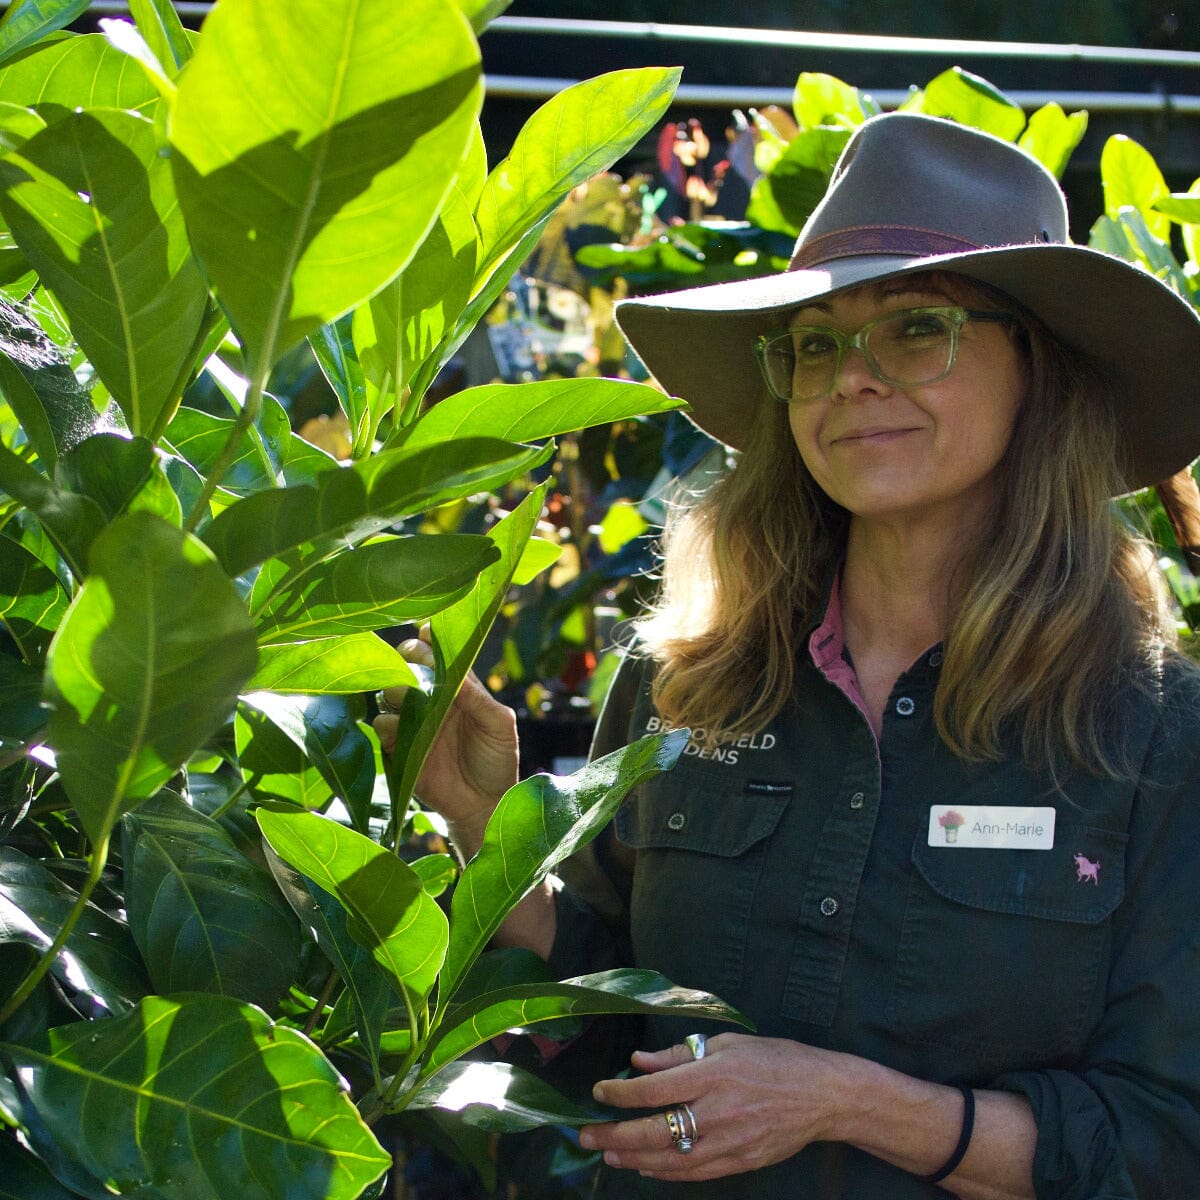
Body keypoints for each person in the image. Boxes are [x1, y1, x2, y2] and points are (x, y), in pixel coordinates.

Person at [376, 113, 1200, 1198]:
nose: (852, 376)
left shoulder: (1155, 734)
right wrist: (481, 820)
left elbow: (1167, 1139)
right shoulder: (684, 681)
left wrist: (854, 1104)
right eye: (815, 341)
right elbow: (601, 1011)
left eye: (916, 329)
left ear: (1038, 371)